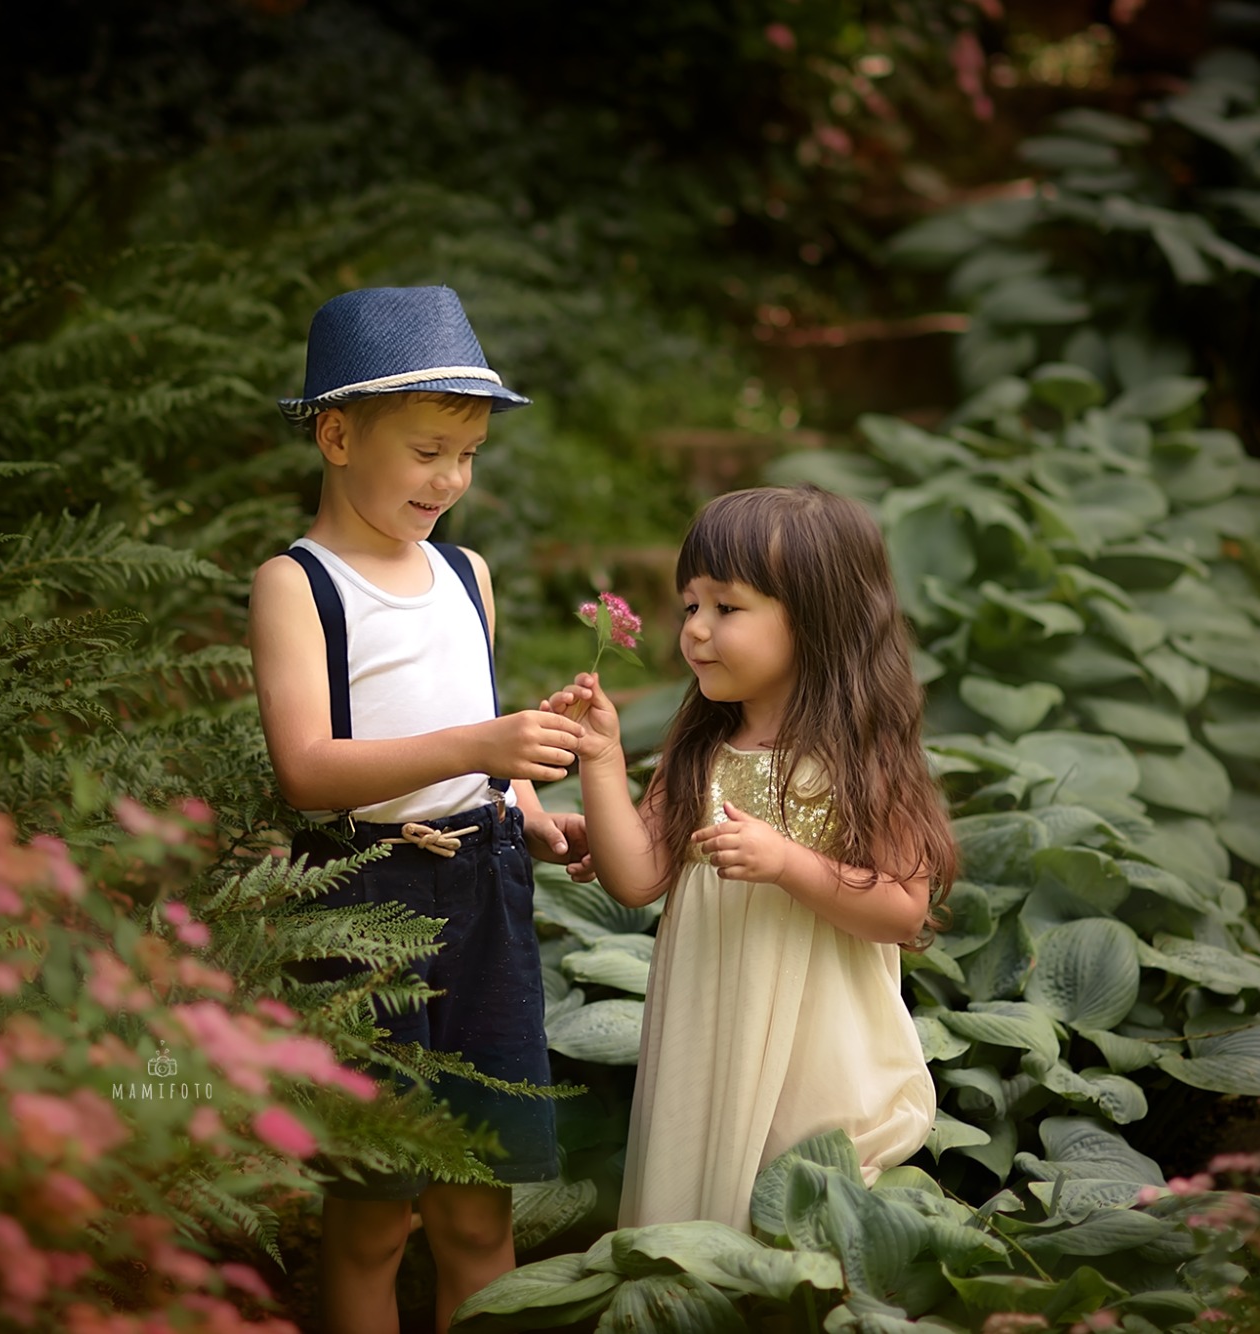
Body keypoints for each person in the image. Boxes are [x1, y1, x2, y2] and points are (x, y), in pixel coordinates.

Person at [248, 286, 592, 1334]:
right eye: (429, 449)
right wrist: (482, 748)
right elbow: (308, 770)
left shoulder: (465, 573)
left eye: (469, 454)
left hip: (482, 890)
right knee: (369, 1216)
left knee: (478, 1211)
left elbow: (475, 722)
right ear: (338, 434)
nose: (452, 479)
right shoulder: (296, 585)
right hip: (365, 902)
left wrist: (520, 796)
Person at [544, 484, 957, 1230]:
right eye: (690, 606)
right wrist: (601, 758)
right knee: (697, 1202)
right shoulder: (702, 748)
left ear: (819, 619)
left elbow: (903, 908)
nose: (697, 630)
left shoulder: (865, 758)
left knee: (789, 1213)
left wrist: (789, 863)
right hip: (712, 1027)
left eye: (726, 609)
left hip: (815, 1042)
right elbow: (637, 877)